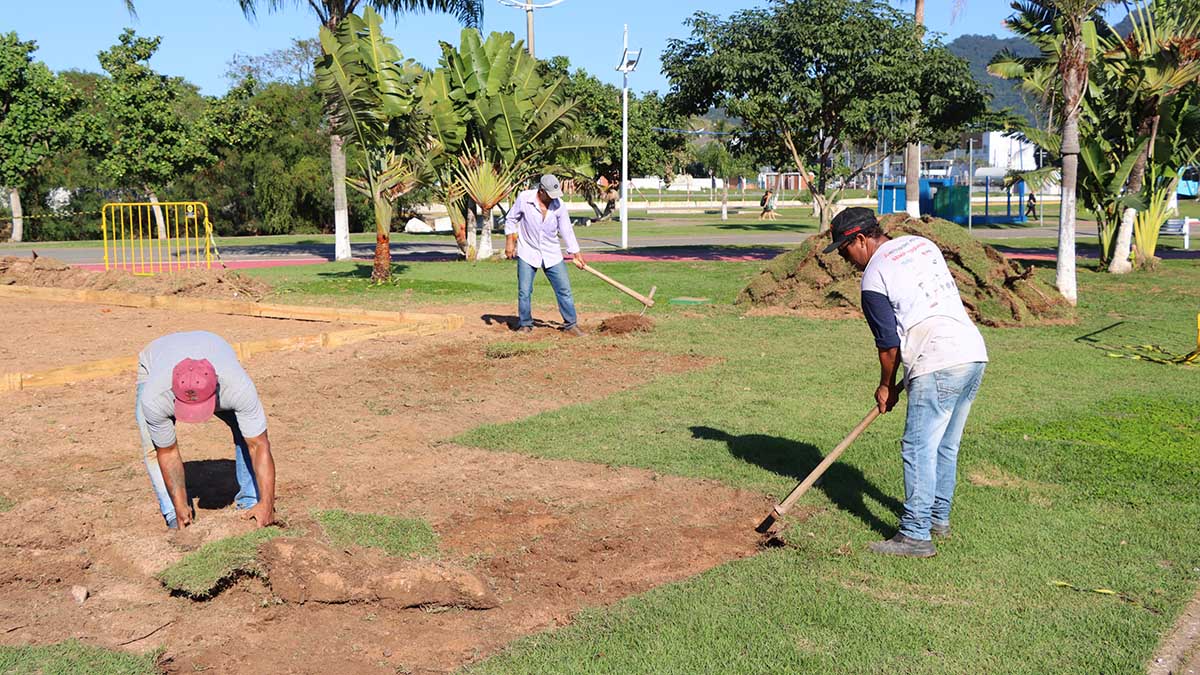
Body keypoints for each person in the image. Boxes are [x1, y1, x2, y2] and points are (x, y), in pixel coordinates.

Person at [824, 207, 987, 558]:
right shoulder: (920, 245)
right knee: (946, 444)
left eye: (843, 249)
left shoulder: (873, 277)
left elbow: (888, 344)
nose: (843, 258)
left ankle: (915, 534)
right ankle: (937, 519)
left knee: (918, 447)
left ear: (861, 240)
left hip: (938, 360)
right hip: (972, 352)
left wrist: (886, 385)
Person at [136, 331, 277, 530]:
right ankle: (174, 516)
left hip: (214, 346)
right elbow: (167, 451)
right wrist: (180, 505)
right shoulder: (155, 397)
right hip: (156, 359)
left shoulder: (237, 387)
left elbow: (258, 444)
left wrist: (268, 503)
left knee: (246, 433)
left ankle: (253, 502)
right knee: (153, 445)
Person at [504, 174, 587, 336]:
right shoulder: (524, 199)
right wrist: (509, 242)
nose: (553, 199)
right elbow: (511, 219)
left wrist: (576, 254)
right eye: (550, 195)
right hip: (528, 251)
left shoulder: (559, 205)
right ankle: (525, 324)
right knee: (524, 291)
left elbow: (566, 230)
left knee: (564, 289)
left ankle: (571, 324)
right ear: (541, 191)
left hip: (552, 253)